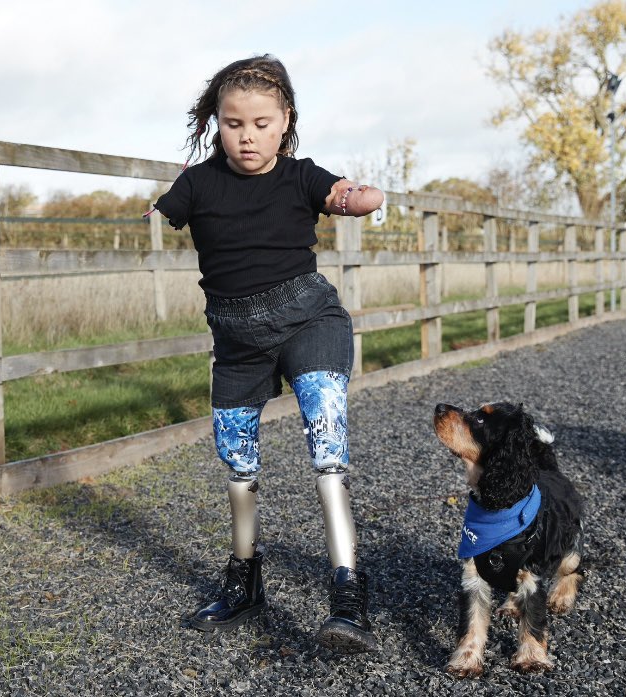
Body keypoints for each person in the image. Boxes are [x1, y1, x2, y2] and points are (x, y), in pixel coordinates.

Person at [150, 54, 384, 654]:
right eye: (233, 124)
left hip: (309, 321)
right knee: (237, 461)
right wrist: (158, 204)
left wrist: (357, 196)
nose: (247, 136)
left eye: (260, 123)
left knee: (326, 443)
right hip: (237, 342)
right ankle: (245, 580)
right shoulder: (199, 183)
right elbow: (161, 212)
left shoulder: (301, 176)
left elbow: (346, 196)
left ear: (285, 122)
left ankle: (347, 593)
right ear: (217, 124)